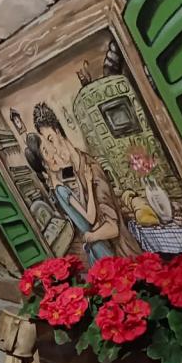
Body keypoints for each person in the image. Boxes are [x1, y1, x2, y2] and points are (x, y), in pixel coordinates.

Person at [25, 102, 140, 262]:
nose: (52, 150)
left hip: (122, 255)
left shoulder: (90, 168)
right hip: (103, 257)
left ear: (58, 132)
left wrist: (90, 237)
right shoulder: (69, 171)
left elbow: (112, 228)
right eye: (46, 146)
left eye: (50, 140)